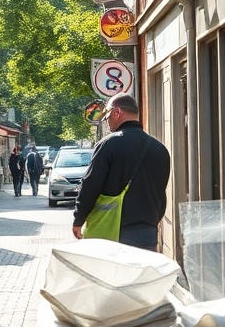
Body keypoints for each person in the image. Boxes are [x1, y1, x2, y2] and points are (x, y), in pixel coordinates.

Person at [72, 93, 170, 251]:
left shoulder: (108, 145)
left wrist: (79, 219)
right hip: (147, 234)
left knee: (111, 276)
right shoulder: (160, 149)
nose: (107, 121)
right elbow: (161, 194)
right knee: (142, 275)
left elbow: (91, 185)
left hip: (112, 232)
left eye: (108, 116)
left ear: (117, 112)